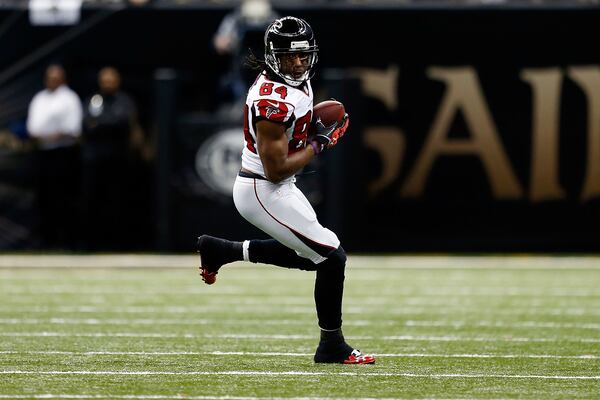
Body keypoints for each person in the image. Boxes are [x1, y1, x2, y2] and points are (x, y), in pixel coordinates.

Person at [197, 16, 375, 365]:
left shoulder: (296, 84)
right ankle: (331, 346)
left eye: (302, 56)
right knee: (331, 257)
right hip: (261, 188)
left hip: (277, 185)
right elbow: (277, 167)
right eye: (289, 57)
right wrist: (318, 144)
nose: (297, 63)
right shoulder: (271, 101)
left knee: (317, 258)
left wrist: (309, 137)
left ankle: (221, 250)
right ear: (272, 56)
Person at [81, 66, 145, 250]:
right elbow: (86, 123)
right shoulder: (93, 100)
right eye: (104, 80)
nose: (107, 83)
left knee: (117, 201)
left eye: (111, 79)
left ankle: (117, 243)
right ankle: (90, 243)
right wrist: (107, 123)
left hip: (118, 160)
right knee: (92, 200)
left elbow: (123, 122)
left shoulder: (124, 101)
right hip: (93, 160)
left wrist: (99, 124)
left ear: (117, 81)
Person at [27, 64, 82, 249]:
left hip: (62, 155)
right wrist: (42, 135)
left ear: (63, 78)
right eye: (49, 77)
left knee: (62, 198)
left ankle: (64, 242)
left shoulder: (69, 99)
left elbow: (72, 129)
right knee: (43, 199)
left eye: (56, 77)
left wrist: (50, 135)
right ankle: (43, 241)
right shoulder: (39, 98)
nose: (52, 81)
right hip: (42, 153)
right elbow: (32, 128)